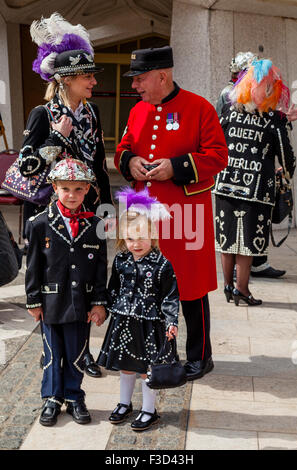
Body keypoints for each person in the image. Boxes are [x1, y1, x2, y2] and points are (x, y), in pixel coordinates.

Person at [114, 46, 228, 381]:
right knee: (150, 285)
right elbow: (124, 148)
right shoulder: (137, 111)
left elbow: (218, 156)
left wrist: (176, 167)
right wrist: (130, 161)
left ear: (162, 76)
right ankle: (159, 352)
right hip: (144, 217)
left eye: (140, 79)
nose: (135, 86)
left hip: (185, 215)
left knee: (190, 287)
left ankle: (200, 356)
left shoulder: (200, 108)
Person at [19, 12, 113, 377]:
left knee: (87, 284)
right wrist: (57, 137)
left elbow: (99, 165)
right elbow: (27, 167)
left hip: (88, 214)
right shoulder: (41, 114)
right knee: (55, 285)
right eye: (87, 76)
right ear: (67, 79)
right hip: (52, 217)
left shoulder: (92, 113)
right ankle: (53, 355)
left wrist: (105, 207)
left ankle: (82, 353)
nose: (92, 81)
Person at [25, 158, 108, 426]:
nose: (72, 195)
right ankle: (51, 397)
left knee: (76, 352)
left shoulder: (95, 225)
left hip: (81, 302)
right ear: (54, 188)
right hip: (50, 302)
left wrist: (98, 302)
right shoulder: (39, 224)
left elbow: (99, 268)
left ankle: (74, 396)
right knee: (52, 353)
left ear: (87, 189)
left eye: (78, 189)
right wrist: (33, 300)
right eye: (65, 189)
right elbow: (33, 266)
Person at [213, 59, 296, 305]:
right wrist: (286, 175)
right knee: (247, 243)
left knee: (227, 239)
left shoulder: (229, 112)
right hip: (256, 188)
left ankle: (228, 287)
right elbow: (287, 154)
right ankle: (243, 290)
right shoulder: (273, 118)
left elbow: (215, 142)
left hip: (226, 183)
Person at [97, 187, 179, 431]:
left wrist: (171, 320)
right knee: (125, 364)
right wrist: (102, 307)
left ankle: (148, 410)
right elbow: (113, 288)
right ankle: (124, 403)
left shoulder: (163, 265)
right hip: (124, 321)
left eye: (142, 237)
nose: (136, 243)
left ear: (153, 235)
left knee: (146, 369)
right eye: (130, 238)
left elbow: (170, 296)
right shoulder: (121, 260)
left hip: (149, 324)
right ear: (123, 238)